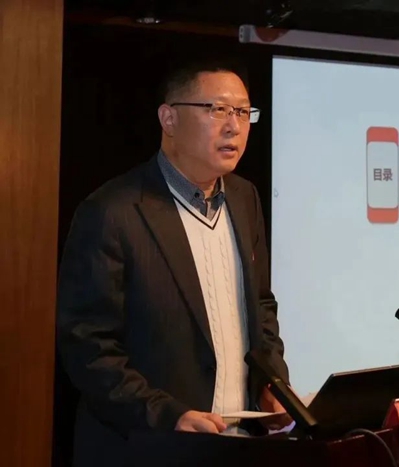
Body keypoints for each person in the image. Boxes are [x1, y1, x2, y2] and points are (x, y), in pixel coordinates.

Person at [56, 58, 292, 467]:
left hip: (240, 443)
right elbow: (88, 346)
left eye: (243, 112)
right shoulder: (112, 211)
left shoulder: (244, 198)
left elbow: (260, 305)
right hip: (148, 447)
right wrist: (168, 415)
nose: (234, 126)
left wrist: (273, 383)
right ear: (169, 118)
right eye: (217, 110)